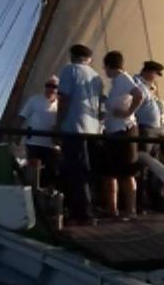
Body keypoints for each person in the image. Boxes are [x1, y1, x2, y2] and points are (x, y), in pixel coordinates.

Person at [57, 44, 103, 225]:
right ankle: (88, 208)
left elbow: (64, 99)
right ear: (89, 58)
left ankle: (82, 214)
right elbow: (101, 104)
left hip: (74, 127)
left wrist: (57, 124)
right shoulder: (96, 77)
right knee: (87, 170)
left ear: (72, 56)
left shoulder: (70, 70)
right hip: (92, 130)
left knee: (74, 170)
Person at [101, 51, 143, 219]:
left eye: (105, 67)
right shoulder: (116, 83)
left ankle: (130, 211)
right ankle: (113, 209)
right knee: (111, 172)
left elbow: (138, 95)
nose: (105, 71)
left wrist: (128, 113)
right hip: (113, 131)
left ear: (109, 66)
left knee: (127, 172)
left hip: (125, 131)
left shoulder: (124, 79)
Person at [15, 75, 60, 190]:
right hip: (33, 142)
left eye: (54, 86)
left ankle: (45, 197)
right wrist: (16, 134)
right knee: (33, 171)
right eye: (48, 85)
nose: (51, 88)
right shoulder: (34, 99)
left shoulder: (60, 105)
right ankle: (32, 193)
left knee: (50, 172)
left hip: (51, 144)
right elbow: (22, 116)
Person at [132, 60, 164, 214]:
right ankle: (140, 203)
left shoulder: (150, 87)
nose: (156, 77)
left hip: (155, 130)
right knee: (142, 167)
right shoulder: (136, 82)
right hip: (144, 128)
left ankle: (154, 202)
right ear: (147, 71)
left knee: (154, 168)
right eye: (155, 74)